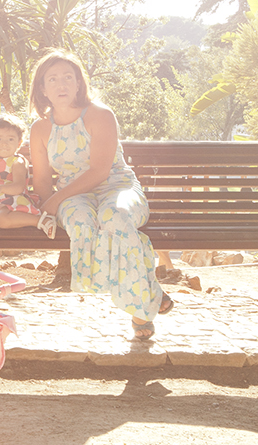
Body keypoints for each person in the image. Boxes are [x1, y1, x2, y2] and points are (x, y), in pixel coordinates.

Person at [21, 50, 171, 340]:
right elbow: (40, 179)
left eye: (68, 77)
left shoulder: (100, 115)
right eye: (52, 79)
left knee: (114, 217)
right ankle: (149, 291)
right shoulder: (40, 128)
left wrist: (53, 201)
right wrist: (49, 207)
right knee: (81, 223)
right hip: (73, 197)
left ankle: (140, 313)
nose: (61, 84)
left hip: (118, 187)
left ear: (79, 83)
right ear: (42, 89)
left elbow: (100, 171)